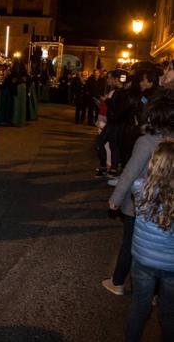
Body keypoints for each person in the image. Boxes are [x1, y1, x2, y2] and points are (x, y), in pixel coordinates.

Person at [104, 96, 174, 296]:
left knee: (130, 244)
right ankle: (153, 293)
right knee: (162, 249)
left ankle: (117, 282)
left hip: (141, 201)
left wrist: (115, 199)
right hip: (168, 204)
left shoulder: (147, 141)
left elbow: (130, 172)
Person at [125, 140, 174, 341]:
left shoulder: (140, 188)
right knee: (169, 313)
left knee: (139, 308)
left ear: (153, 164)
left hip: (143, 260)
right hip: (171, 266)